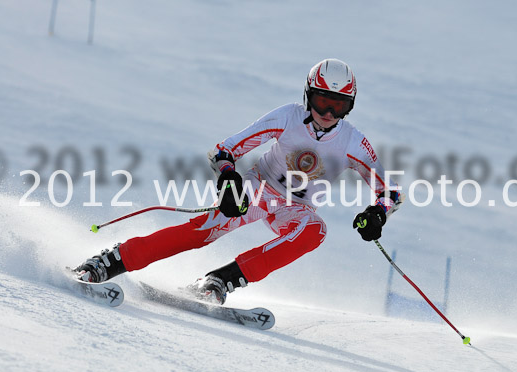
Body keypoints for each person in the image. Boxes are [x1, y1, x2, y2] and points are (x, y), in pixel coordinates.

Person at [74, 58, 402, 305]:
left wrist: (377, 213)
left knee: (315, 231)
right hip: (258, 189)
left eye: (339, 105)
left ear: (350, 106)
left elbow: (390, 192)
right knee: (203, 232)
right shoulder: (288, 116)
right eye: (321, 101)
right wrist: (230, 179)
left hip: (297, 207)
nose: (329, 112)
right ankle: (112, 260)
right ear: (308, 96)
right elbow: (225, 149)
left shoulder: (352, 142)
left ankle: (220, 281)